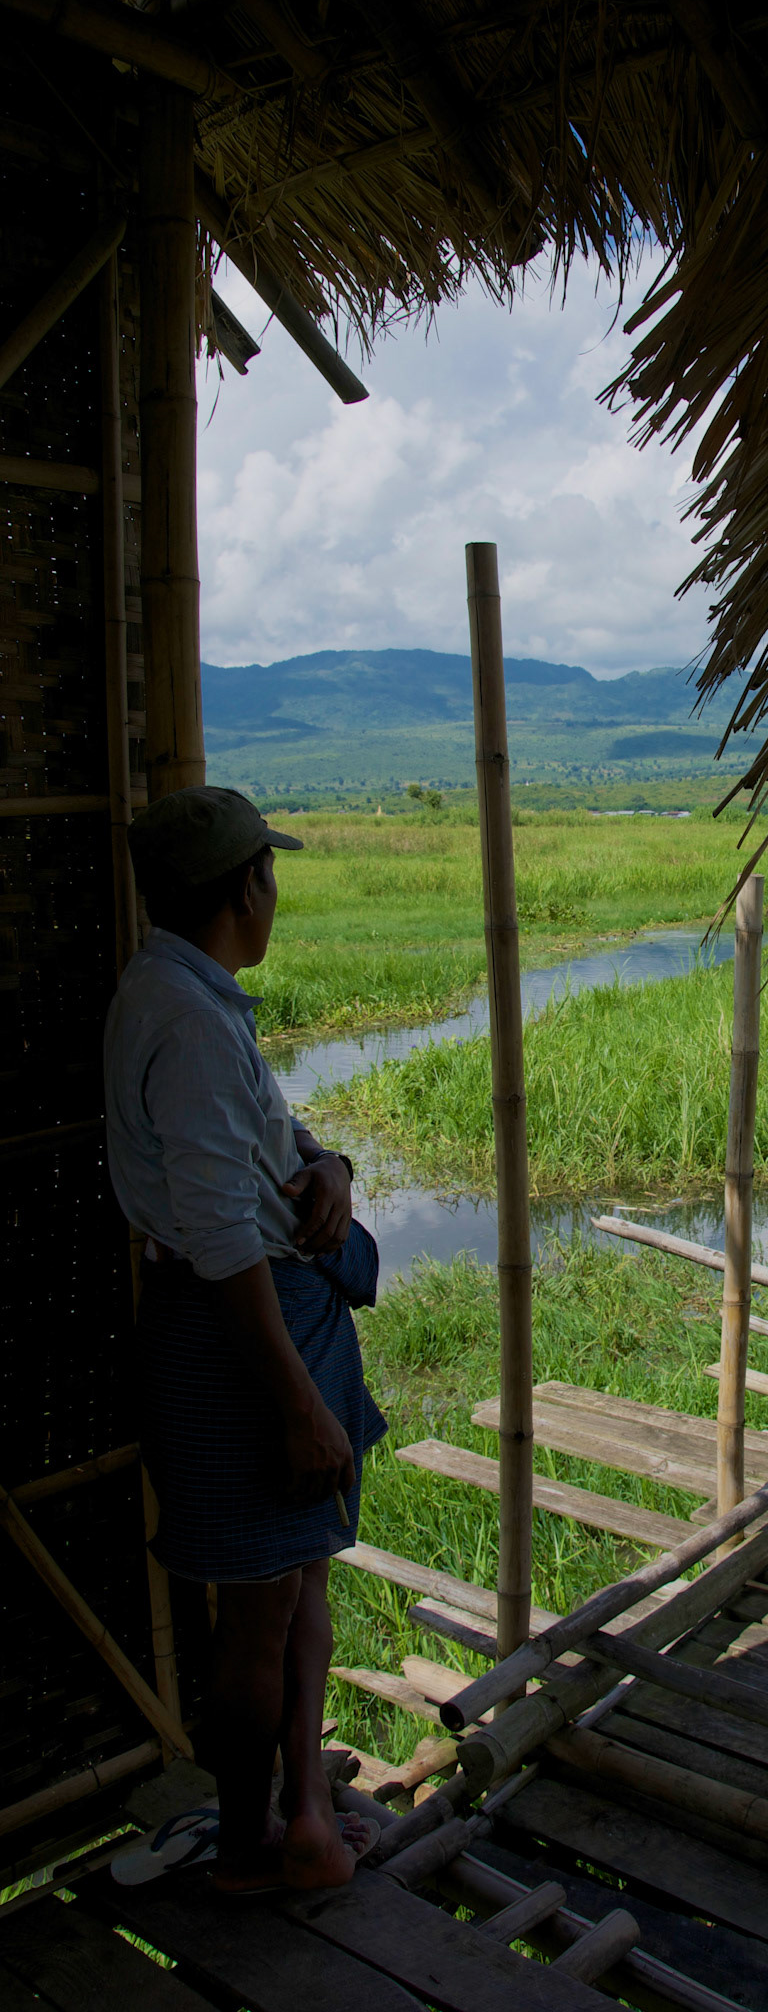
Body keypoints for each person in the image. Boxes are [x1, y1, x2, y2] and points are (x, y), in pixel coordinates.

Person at [104, 786, 387, 1894]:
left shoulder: (183, 993)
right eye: (268, 875)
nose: (274, 893)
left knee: (293, 1578)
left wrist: (330, 1164)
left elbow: (254, 1141)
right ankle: (248, 1842)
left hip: (262, 1316)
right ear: (243, 889)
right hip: (246, 1338)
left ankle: (303, 1813)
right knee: (257, 1620)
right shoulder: (183, 1018)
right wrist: (297, 1404)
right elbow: (223, 1235)